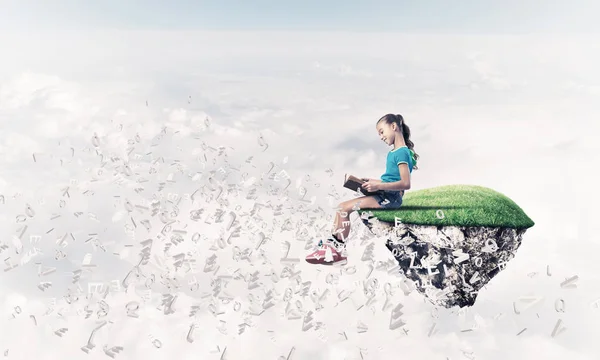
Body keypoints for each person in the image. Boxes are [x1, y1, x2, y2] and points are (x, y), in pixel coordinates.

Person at [305, 113, 419, 265]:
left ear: (393, 127)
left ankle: (335, 251)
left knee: (343, 208)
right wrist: (374, 182)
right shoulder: (396, 152)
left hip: (390, 198)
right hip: (385, 193)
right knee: (342, 208)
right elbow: (393, 179)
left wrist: (378, 186)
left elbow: (405, 183)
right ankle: (333, 248)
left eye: (382, 131)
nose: (381, 137)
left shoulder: (401, 152)